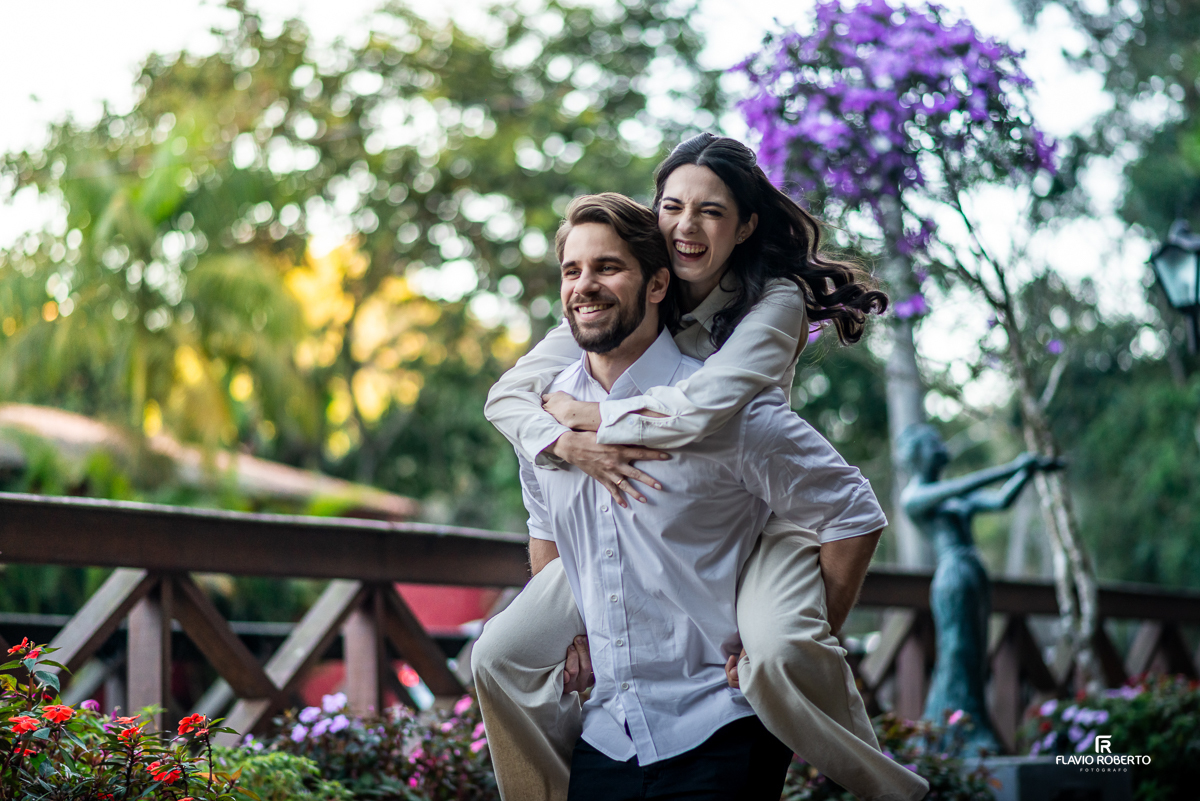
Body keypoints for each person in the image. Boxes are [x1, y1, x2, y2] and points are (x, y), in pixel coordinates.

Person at [474, 135, 929, 801]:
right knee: (495, 654)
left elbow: (703, 412)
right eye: (672, 206)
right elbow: (509, 405)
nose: (686, 227)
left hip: (765, 527)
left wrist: (598, 421)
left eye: (711, 212)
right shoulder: (593, 325)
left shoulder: (771, 306)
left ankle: (892, 787)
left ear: (744, 225)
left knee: (776, 650)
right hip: (613, 728)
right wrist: (559, 441)